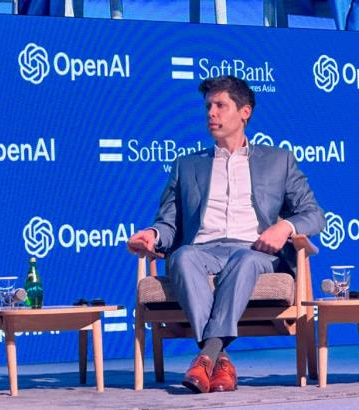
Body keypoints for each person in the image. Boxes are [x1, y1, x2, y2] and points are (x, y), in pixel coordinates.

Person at [127, 76, 325, 394]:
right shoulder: (187, 165)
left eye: (220, 105)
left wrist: (284, 227)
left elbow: (314, 214)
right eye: (208, 106)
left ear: (244, 111)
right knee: (182, 256)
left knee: (244, 259)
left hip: (255, 251)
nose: (211, 113)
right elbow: (168, 223)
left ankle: (206, 355)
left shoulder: (279, 161)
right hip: (203, 250)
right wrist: (151, 234)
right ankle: (219, 361)